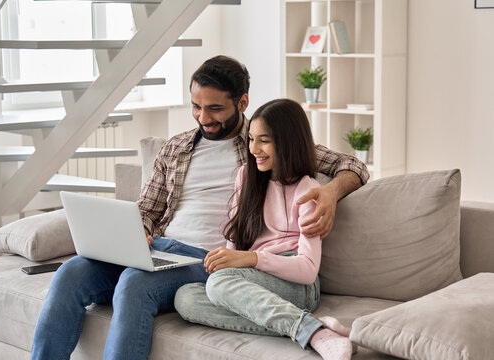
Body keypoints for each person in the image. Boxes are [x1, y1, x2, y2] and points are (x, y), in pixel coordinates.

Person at [30, 55, 368, 360]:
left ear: (242, 102)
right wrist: (141, 231)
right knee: (71, 272)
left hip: (206, 259)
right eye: (196, 106)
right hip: (161, 249)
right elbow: (146, 209)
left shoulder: (261, 143)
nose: (203, 118)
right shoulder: (175, 148)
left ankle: (310, 330)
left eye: (215, 109)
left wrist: (331, 192)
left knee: (134, 283)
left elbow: (352, 164)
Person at [174, 98, 353, 360]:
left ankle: (311, 331)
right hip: (253, 277)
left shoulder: (308, 190)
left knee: (219, 283)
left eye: (264, 140)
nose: (254, 148)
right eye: (251, 139)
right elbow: (235, 238)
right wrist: (230, 261)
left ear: (287, 142)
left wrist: (250, 259)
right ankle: (309, 325)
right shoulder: (246, 177)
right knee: (185, 298)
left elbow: (307, 270)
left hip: (297, 283)